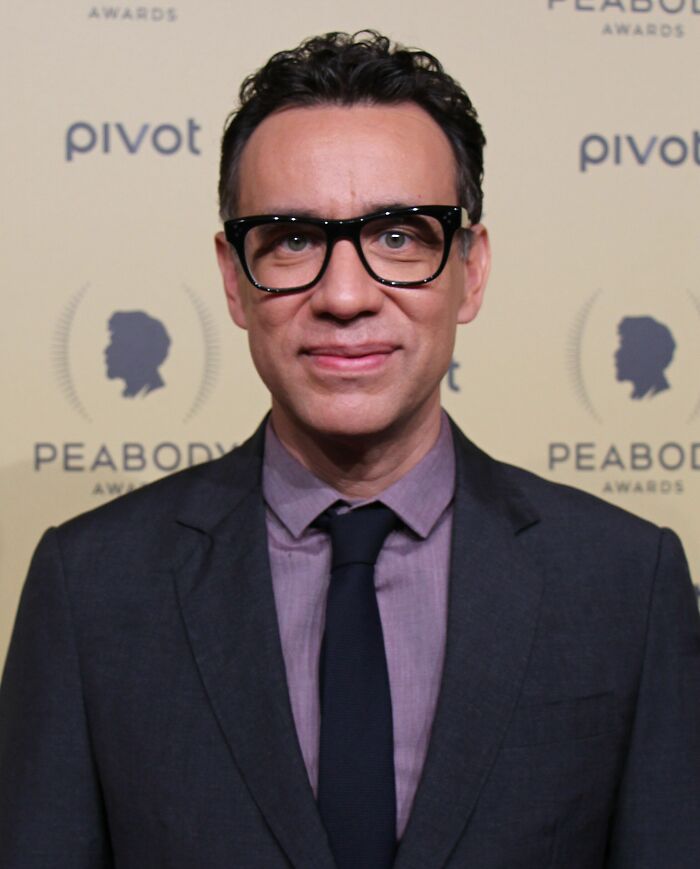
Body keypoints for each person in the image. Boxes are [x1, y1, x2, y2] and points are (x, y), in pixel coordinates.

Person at [1, 30, 699, 869]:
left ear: (471, 270)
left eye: (400, 236)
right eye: (292, 238)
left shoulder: (626, 583)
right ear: (233, 278)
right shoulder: (91, 588)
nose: (344, 294)